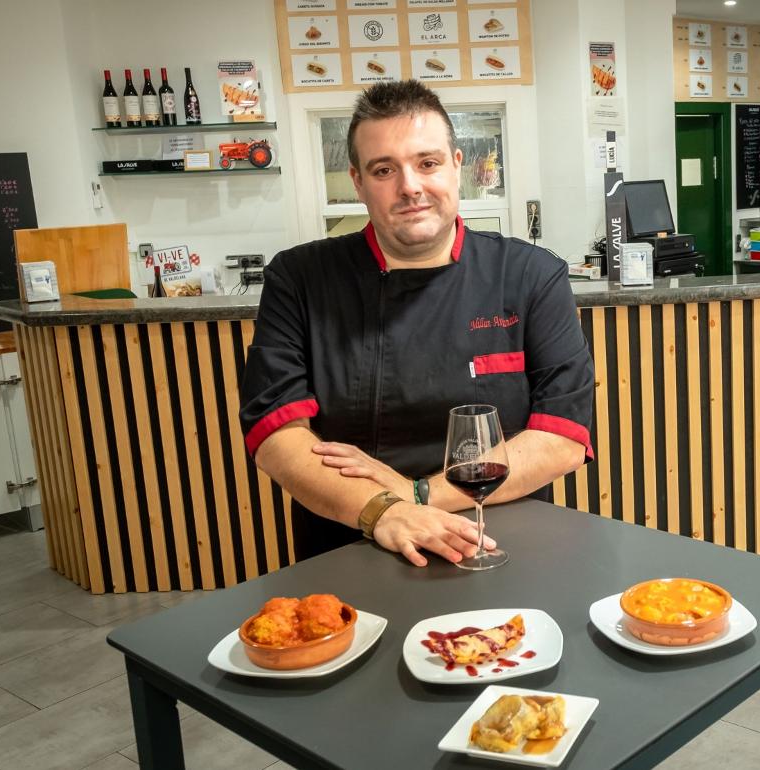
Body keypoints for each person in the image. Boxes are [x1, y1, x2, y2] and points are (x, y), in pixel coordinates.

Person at [239, 80, 594, 567]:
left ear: (456, 166)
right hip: (352, 535)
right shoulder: (300, 279)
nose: (410, 186)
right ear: (358, 183)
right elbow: (275, 435)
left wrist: (417, 493)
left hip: (501, 535)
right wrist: (384, 512)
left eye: (427, 163)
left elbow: (563, 435)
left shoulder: (530, 275)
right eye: (384, 170)